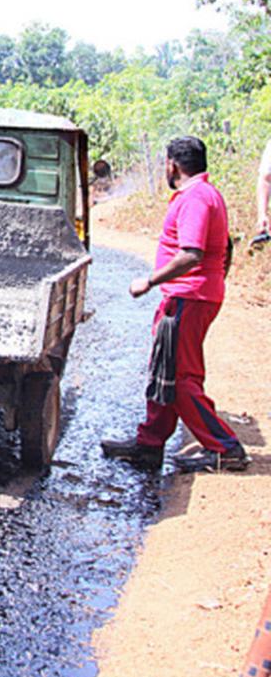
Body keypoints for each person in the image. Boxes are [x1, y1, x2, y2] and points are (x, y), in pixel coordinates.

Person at [101, 136, 249, 473]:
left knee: (180, 378)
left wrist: (150, 280)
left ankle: (225, 447)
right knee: (164, 370)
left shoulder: (196, 198)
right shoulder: (205, 194)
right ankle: (149, 443)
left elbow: (192, 253)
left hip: (189, 296)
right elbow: (224, 247)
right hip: (191, 295)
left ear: (172, 164)